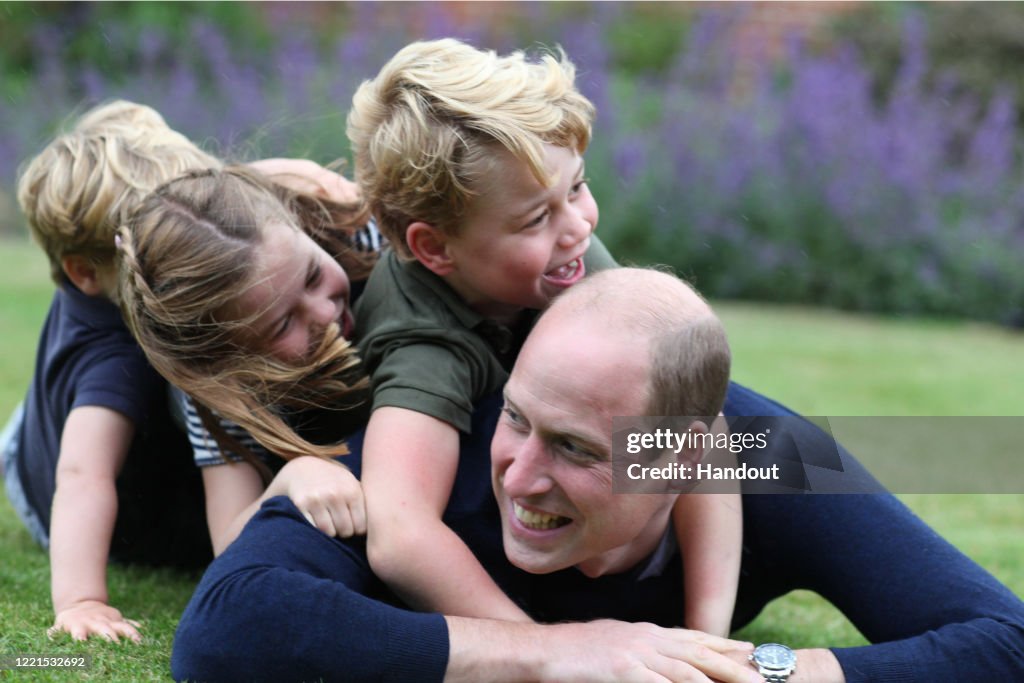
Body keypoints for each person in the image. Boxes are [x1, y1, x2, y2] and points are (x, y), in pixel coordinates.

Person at [170, 267, 1024, 682]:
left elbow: (1003, 639)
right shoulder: (434, 451)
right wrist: (552, 655)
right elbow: (223, 630)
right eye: (518, 417)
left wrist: (749, 671)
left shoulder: (768, 454)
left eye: (577, 449)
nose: (521, 475)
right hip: (163, 467)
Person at [347, 37, 742, 633]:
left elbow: (707, 432)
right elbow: (400, 536)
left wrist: (707, 638)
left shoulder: (562, 249)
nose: (578, 225)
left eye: (578, 187)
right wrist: (546, 654)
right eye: (537, 218)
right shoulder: (422, 340)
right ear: (435, 248)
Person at [2, 100, 219, 644]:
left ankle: (34, 421)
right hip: (45, 489)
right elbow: (81, 478)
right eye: (161, 249)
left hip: (39, 428)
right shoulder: (116, 355)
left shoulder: (104, 278)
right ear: (86, 271)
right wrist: (81, 600)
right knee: (90, 419)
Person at [117, 165, 377, 556]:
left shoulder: (365, 237)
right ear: (227, 358)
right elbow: (228, 541)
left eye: (311, 276)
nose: (324, 312)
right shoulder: (218, 389)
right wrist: (292, 476)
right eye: (283, 323)